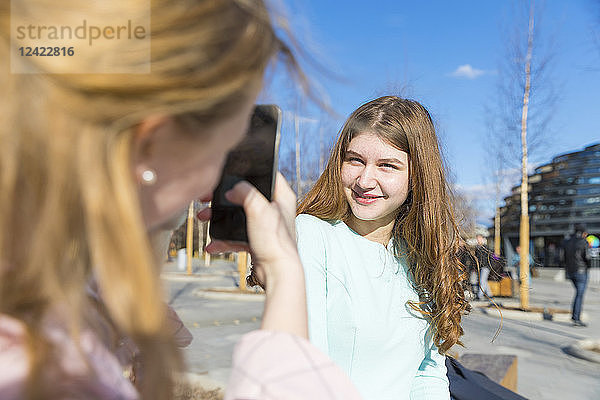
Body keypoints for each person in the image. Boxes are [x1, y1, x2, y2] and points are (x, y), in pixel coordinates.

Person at [0, 1, 361, 399]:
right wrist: (282, 269)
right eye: (223, 148)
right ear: (151, 142)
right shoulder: (47, 375)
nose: (212, 181)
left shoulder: (44, 289)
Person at [296, 96, 470, 400]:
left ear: (416, 176)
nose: (365, 180)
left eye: (387, 165)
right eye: (354, 160)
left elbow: (427, 373)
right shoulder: (312, 234)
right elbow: (309, 371)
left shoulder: (421, 255)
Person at [564, 224, 591, 327]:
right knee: (579, 295)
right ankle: (576, 318)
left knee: (578, 293)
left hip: (570, 272)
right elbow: (587, 257)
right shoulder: (584, 242)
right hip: (581, 271)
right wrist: (588, 267)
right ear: (583, 233)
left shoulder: (567, 241)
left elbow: (563, 257)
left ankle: (575, 316)